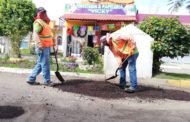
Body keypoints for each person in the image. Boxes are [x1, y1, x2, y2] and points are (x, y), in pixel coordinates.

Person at [27, 7, 54, 86]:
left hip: (46, 46)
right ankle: (47, 81)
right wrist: (39, 44)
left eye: (45, 12)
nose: (44, 14)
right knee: (45, 64)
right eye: (43, 13)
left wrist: (52, 43)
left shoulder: (44, 22)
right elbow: (35, 34)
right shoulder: (38, 22)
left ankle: (31, 79)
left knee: (40, 64)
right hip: (42, 47)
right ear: (39, 14)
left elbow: (46, 35)